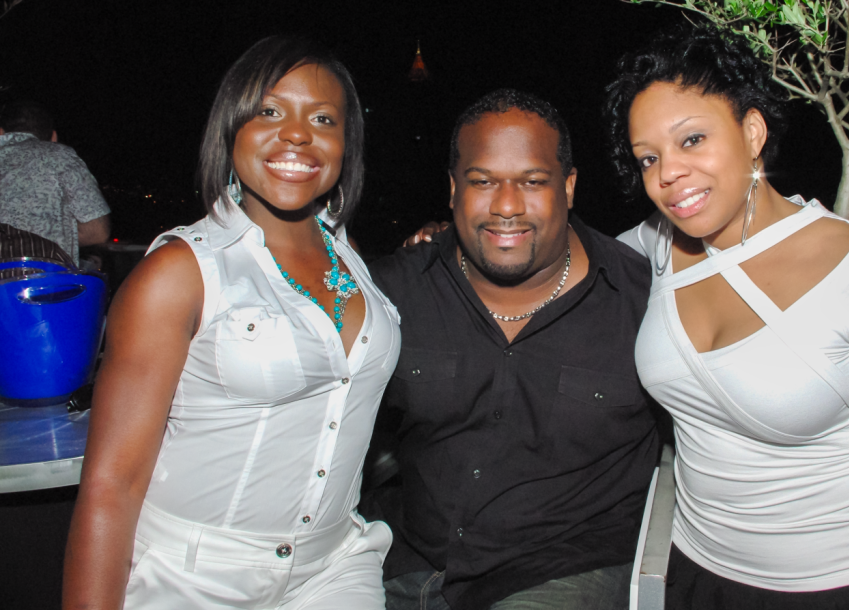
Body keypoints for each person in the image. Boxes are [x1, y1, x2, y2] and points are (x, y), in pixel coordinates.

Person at [606, 24, 849, 609]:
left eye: (692, 140)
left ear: (753, 131)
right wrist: (444, 242)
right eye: (649, 158)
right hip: (696, 576)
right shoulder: (654, 246)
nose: (667, 174)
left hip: (838, 586)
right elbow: (560, 258)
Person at [63, 36, 399, 610]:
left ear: (346, 143)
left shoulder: (349, 256)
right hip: (195, 581)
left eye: (323, 118)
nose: (297, 133)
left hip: (335, 569)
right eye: (270, 111)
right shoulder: (179, 272)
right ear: (232, 128)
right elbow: (110, 487)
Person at [367, 89, 660, 610]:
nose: (505, 206)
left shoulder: (643, 302)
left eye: (532, 181)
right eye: (482, 182)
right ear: (454, 189)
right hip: (405, 566)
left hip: (564, 569)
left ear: (568, 186)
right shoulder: (396, 292)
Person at [0, 101, 111, 266]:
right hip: (45, 282)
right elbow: (97, 232)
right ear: (54, 137)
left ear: (1, 132)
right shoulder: (60, 156)